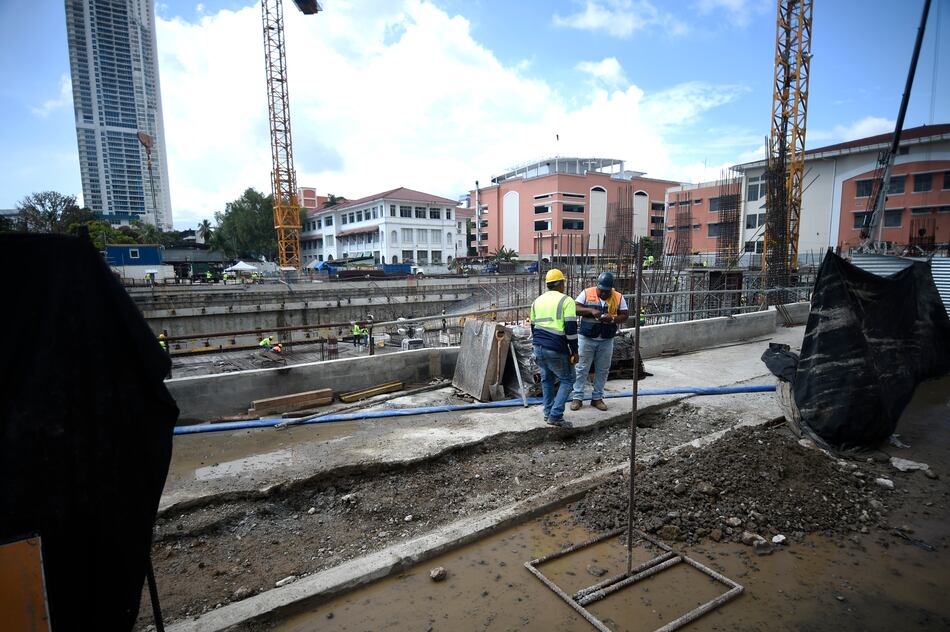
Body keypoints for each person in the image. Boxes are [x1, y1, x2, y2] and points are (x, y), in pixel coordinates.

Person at [570, 272, 629, 412]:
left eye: (606, 291)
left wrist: (612, 319)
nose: (603, 293)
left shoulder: (618, 297)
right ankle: (577, 397)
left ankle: (597, 398)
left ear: (611, 289)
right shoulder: (587, 293)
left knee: (602, 369)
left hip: (606, 339)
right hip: (587, 338)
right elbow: (575, 308)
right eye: (601, 290)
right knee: (581, 368)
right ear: (597, 286)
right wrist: (590, 310)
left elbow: (625, 315)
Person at [530, 269, 578, 428]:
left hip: (538, 347)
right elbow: (571, 329)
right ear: (560, 283)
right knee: (568, 380)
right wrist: (574, 351)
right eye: (563, 282)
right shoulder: (567, 301)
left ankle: (548, 412)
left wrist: (539, 344)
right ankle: (555, 415)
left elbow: (533, 327)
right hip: (556, 348)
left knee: (547, 379)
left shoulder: (537, 301)